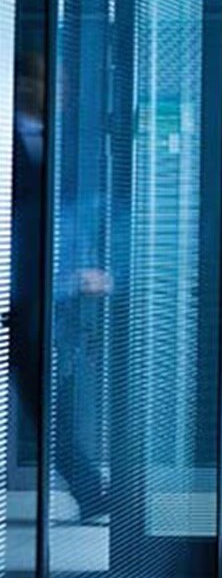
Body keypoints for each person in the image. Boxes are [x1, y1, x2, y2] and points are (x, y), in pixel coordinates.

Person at [13, 51, 110, 523]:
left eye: (65, 84)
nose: (61, 93)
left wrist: (88, 268)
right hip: (19, 293)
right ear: (24, 84)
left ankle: (92, 492)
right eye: (51, 82)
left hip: (43, 300)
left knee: (47, 400)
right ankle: (91, 491)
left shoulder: (64, 146)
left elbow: (73, 218)